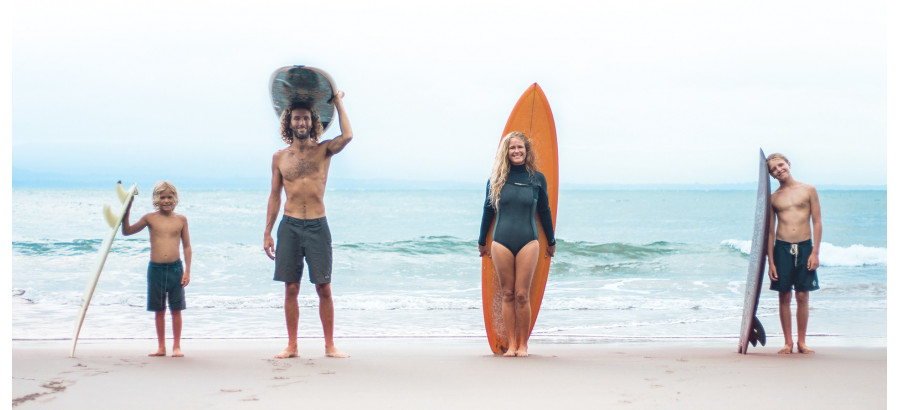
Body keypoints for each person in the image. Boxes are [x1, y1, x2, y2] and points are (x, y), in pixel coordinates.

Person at [264, 91, 353, 359]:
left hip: (317, 225)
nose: (300, 123)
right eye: (296, 119)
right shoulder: (279, 158)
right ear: (288, 123)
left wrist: (337, 101)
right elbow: (274, 196)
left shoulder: (324, 150)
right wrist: (267, 232)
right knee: (291, 287)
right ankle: (292, 345)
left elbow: (347, 136)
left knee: (323, 287)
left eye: (305, 119)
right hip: (289, 225)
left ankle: (330, 345)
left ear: (312, 123)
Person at [478, 131, 556, 357]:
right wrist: (482, 240)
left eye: (520, 147)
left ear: (526, 150)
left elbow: (544, 211)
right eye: (512, 148)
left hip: (528, 240)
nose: (516, 151)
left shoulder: (537, 179)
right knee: (507, 294)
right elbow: (488, 210)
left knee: (522, 294)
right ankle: (511, 344)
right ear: (506, 152)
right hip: (500, 241)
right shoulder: (496, 180)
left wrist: (551, 240)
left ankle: (523, 344)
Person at [122, 181, 192, 357]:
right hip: (156, 269)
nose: (166, 200)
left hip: (176, 269)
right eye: (163, 197)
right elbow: (127, 231)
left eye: (170, 197)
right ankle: (161, 347)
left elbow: (187, 247)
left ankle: (176, 346)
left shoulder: (181, 220)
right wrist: (128, 206)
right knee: (159, 310)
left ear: (175, 198)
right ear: (156, 199)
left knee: (176, 309)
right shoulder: (149, 218)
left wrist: (187, 270)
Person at [766, 153, 822, 354]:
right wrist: (770, 262)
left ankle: (802, 342)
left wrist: (815, 252)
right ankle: (788, 343)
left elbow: (817, 222)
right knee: (783, 296)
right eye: (773, 169)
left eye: (780, 165)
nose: (778, 170)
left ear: (788, 164)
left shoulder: (808, 190)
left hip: (805, 246)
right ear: (771, 175)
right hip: (781, 248)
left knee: (802, 295)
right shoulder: (773, 198)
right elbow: (770, 231)